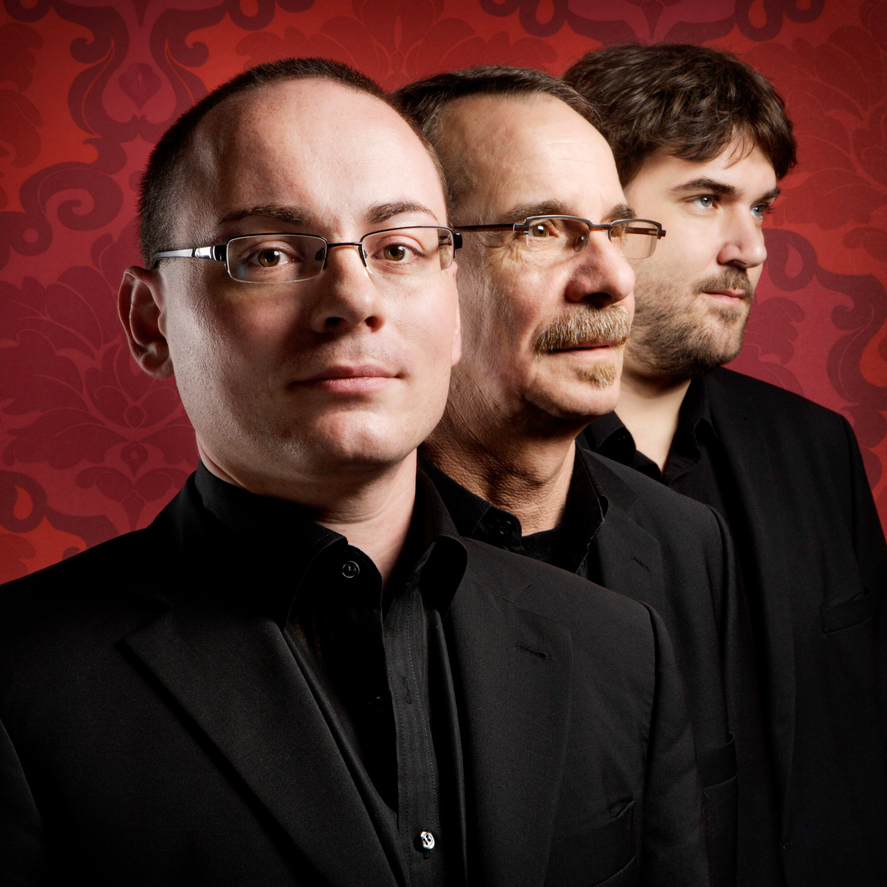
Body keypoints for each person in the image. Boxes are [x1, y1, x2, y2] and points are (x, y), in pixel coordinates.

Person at [0, 58, 710, 886]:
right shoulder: (21, 685)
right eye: (268, 254)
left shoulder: (618, 649)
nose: (355, 297)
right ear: (150, 322)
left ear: (451, 304)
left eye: (398, 247)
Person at [395, 66, 741, 886]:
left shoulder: (686, 541)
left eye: (618, 230)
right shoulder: (348, 555)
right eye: (543, 229)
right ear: (416, 264)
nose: (613, 279)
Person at [564, 43, 887, 887]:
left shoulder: (816, 448)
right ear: (598, 215)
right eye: (706, 198)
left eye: (761, 208)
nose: (751, 248)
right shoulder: (502, 469)